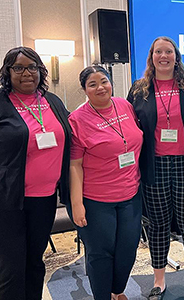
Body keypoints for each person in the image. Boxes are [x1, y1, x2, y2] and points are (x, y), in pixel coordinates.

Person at [0, 46, 71, 300]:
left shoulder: (52, 101)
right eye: (19, 67)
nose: (27, 73)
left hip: (45, 200)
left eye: (32, 67)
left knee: (35, 264)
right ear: (7, 71)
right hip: (5, 204)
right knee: (10, 271)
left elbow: (72, 138)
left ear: (40, 71)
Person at [127, 36, 184, 300]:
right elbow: (129, 127)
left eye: (169, 51)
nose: (164, 56)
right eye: (158, 52)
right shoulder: (139, 89)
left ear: (176, 56)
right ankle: (159, 281)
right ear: (151, 56)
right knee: (158, 225)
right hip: (154, 167)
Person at [68, 65, 143, 300]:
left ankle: (116, 291)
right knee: (101, 254)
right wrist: (77, 204)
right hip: (96, 199)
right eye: (93, 84)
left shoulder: (125, 105)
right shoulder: (77, 120)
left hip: (131, 194)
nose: (100, 87)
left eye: (104, 81)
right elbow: (74, 165)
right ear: (84, 90)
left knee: (128, 250)